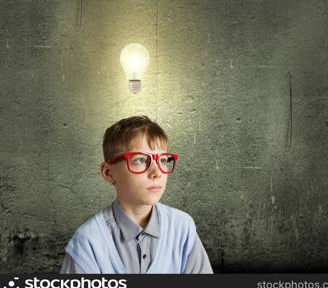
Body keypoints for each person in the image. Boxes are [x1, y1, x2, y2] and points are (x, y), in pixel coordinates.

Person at [60, 116, 213, 274]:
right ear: (108, 173)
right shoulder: (88, 241)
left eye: (162, 160)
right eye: (140, 160)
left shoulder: (182, 227)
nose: (157, 172)